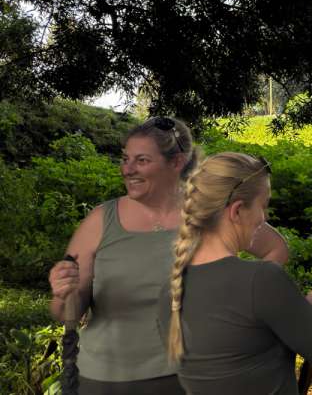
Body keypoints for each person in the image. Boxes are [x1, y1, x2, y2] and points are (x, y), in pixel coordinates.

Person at [46, 117, 288, 395]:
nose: (128, 169)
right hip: (105, 380)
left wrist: (241, 304)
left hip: (191, 378)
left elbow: (276, 250)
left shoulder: (209, 213)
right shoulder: (100, 221)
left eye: (142, 160)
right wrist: (65, 293)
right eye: (125, 159)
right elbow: (67, 312)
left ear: (177, 163)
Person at [159, 151, 312, 394]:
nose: (263, 218)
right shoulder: (261, 280)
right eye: (262, 206)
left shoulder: (169, 291)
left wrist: (298, 313)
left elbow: (241, 355)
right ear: (236, 211)